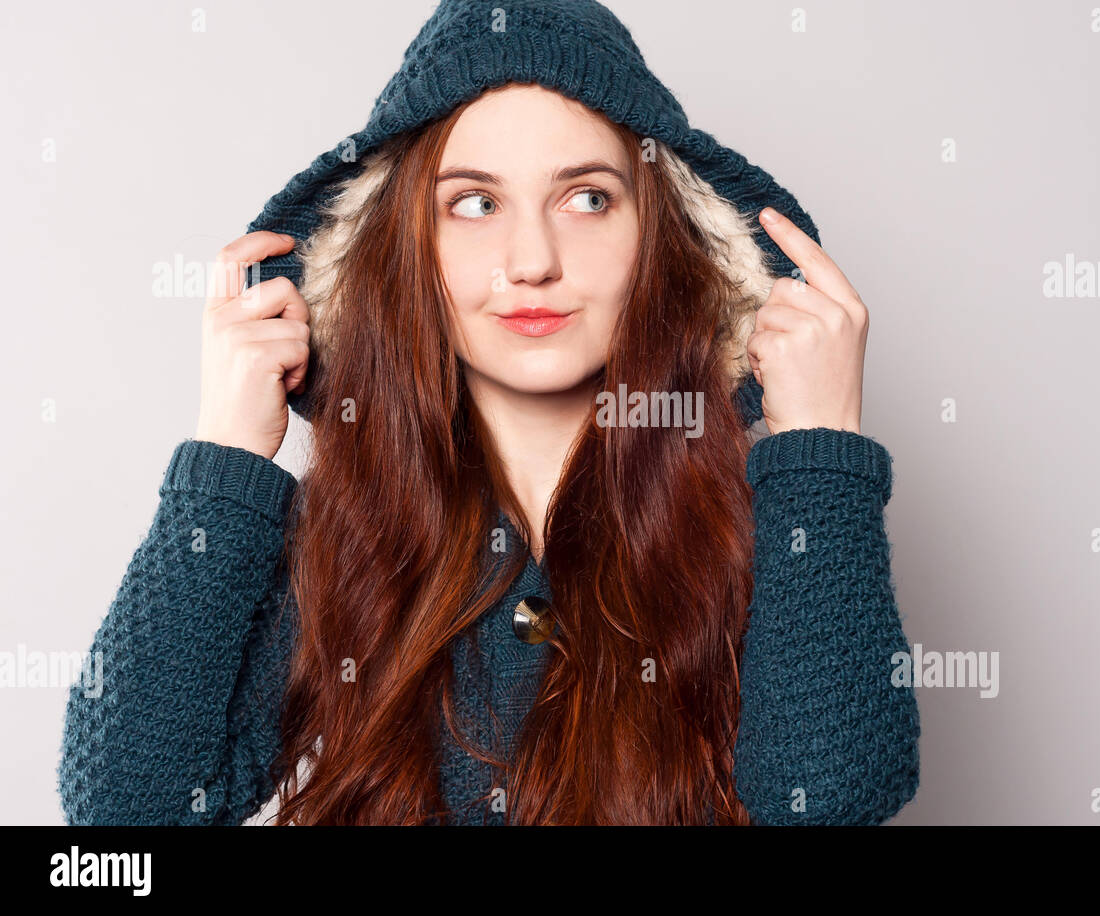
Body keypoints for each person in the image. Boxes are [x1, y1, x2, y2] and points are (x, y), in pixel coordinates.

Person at [58, 0, 919, 826]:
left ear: (663, 233)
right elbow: (129, 811)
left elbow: (831, 798)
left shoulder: (769, 523)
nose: (532, 260)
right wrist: (227, 455)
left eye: (587, 198)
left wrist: (819, 448)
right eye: (475, 202)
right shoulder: (347, 535)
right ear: (405, 245)